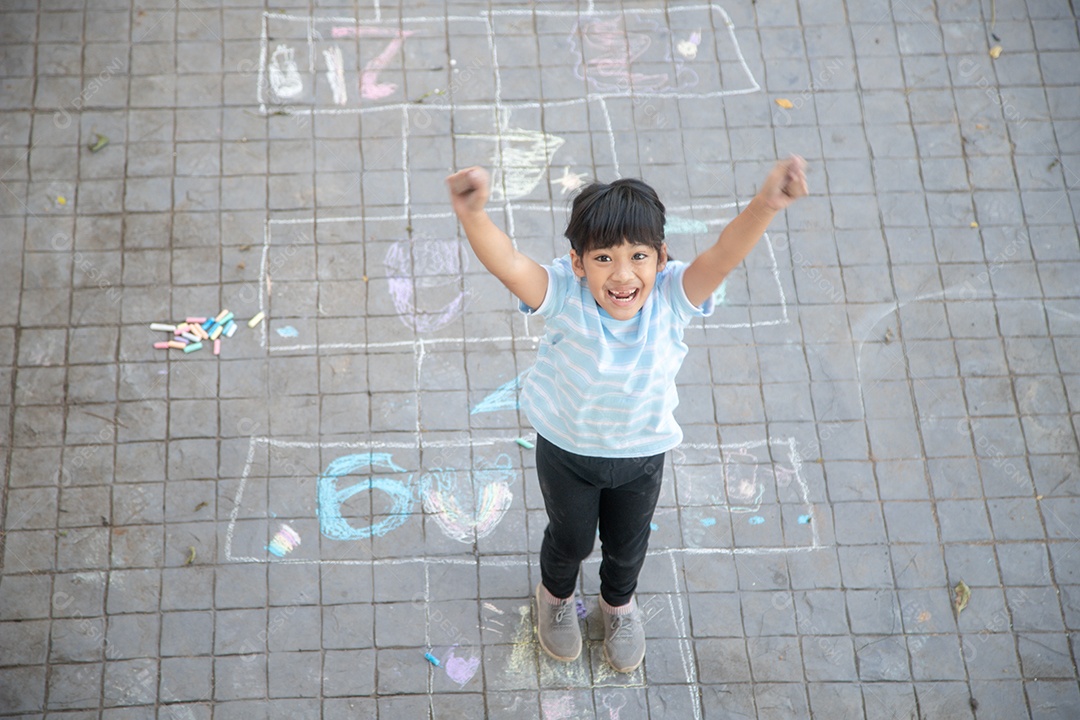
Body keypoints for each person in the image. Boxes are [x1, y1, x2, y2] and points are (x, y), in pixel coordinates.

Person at [446, 157, 807, 673]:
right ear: (577, 263)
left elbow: (724, 256)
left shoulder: (672, 297)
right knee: (569, 539)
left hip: (640, 456)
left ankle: (617, 605)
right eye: (603, 258)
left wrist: (766, 204)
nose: (622, 275)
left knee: (626, 545)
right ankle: (554, 597)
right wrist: (474, 215)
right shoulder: (564, 295)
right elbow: (507, 263)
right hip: (567, 450)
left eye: (638, 256)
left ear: (662, 259)